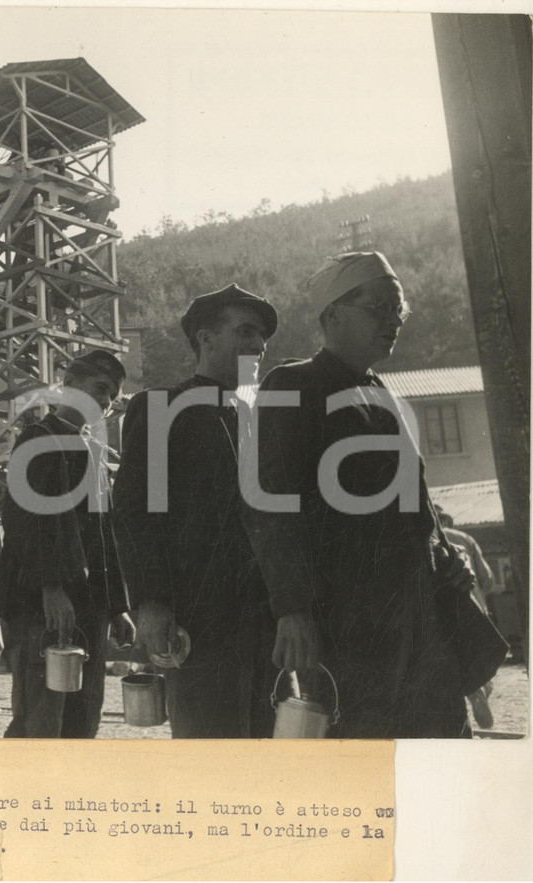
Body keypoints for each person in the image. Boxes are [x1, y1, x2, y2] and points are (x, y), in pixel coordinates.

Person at [247, 251, 475, 738]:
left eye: (399, 309)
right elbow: (269, 502)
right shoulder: (294, 384)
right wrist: (292, 607)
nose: (394, 321)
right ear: (333, 315)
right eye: (380, 308)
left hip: (419, 619)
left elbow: (414, 506)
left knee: (442, 755)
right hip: (346, 624)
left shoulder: (382, 394)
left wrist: (448, 555)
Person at [113, 284, 279, 738]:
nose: (258, 345)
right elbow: (136, 513)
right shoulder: (163, 409)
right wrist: (151, 601)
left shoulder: (268, 419)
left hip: (269, 622)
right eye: (245, 331)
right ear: (205, 339)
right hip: (201, 620)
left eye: (262, 336)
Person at [0, 351, 136, 738]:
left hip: (90, 610)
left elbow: (103, 534)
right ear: (69, 387)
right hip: (45, 609)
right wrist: (51, 587)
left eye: (111, 397)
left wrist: (118, 606)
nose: (105, 402)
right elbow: (24, 521)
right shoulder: (37, 440)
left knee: (83, 720)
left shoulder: (93, 452)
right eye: (99, 389)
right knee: (40, 718)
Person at [435, 505, 497, 729]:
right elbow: (487, 580)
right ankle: (480, 688)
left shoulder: (423, 540)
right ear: (447, 521)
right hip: (474, 610)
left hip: (441, 613)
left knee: (452, 662)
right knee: (475, 659)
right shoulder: (466, 539)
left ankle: (473, 693)